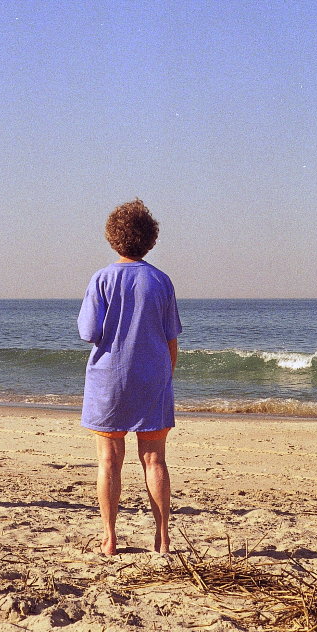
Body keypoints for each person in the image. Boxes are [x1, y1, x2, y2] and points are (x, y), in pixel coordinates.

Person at [78, 199, 182, 556]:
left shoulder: (102, 279)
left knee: (109, 460)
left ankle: (109, 538)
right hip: (152, 376)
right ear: (150, 239)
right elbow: (172, 339)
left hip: (110, 379)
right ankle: (163, 537)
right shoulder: (161, 281)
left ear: (113, 238)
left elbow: (89, 331)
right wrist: (165, 376)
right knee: (154, 460)